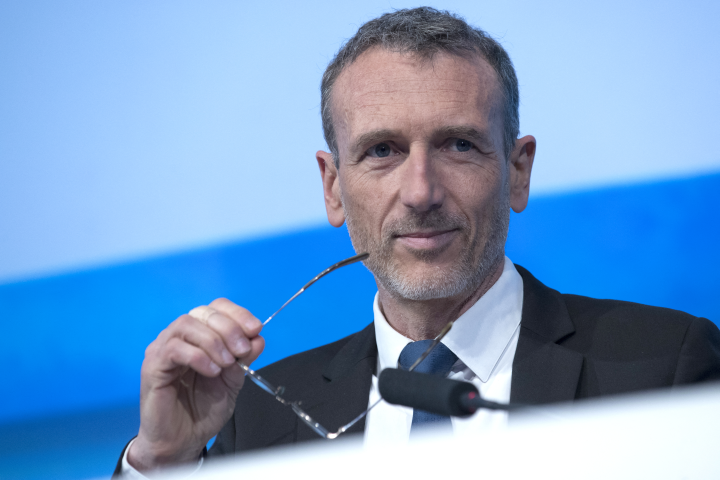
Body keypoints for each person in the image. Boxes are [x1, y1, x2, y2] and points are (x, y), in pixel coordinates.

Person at [115, 7, 720, 477]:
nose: (421, 191)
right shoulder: (260, 415)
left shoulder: (667, 367)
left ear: (518, 170)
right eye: (382, 151)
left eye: (459, 144)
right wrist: (163, 461)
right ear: (333, 187)